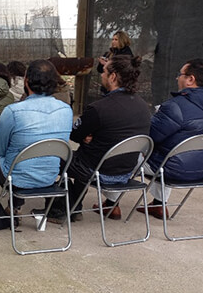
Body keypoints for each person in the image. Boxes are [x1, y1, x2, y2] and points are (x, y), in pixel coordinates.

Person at [0, 60, 73, 231]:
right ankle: (14, 209)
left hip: (14, 175)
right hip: (49, 176)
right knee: (20, 158)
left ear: (26, 81)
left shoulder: (14, 111)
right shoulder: (66, 110)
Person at [41, 55, 151, 223]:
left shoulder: (99, 108)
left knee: (50, 156)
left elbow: (75, 135)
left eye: (105, 71)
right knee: (83, 157)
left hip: (97, 170)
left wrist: (88, 137)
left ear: (113, 77)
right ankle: (73, 208)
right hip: (127, 171)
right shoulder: (144, 106)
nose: (101, 74)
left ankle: (59, 208)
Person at [136, 58, 203, 220]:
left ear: (190, 79)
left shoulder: (176, 106)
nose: (176, 78)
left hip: (173, 170)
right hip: (199, 171)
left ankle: (111, 204)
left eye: (180, 74)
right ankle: (159, 204)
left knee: (125, 151)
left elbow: (149, 137)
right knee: (171, 150)